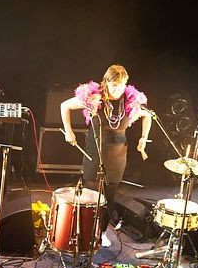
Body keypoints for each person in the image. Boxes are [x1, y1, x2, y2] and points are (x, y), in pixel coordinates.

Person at [60, 64, 152, 247]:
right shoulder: (94, 97)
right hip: (95, 149)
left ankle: (101, 232)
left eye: (122, 85)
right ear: (107, 82)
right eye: (115, 85)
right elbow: (65, 106)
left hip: (118, 153)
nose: (119, 90)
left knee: (109, 196)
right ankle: (85, 231)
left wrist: (143, 138)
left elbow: (147, 116)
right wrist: (69, 132)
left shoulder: (130, 100)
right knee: (91, 194)